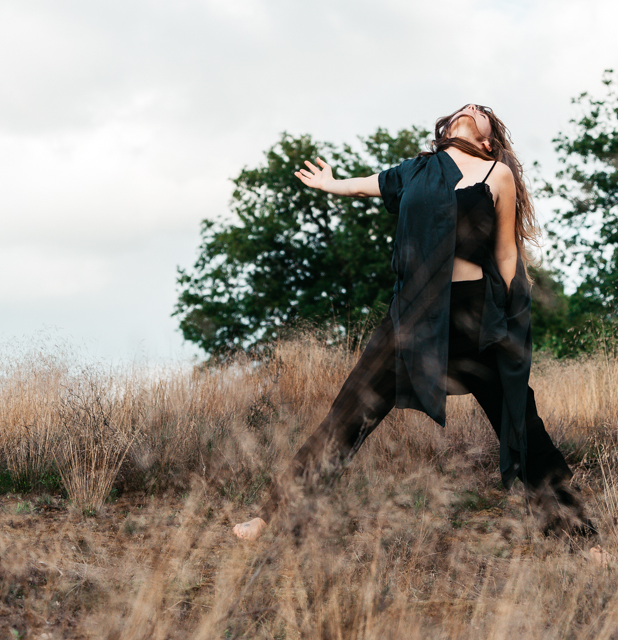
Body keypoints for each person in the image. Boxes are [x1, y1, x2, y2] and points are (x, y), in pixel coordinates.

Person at [232, 104, 596, 544]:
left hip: (473, 316)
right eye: (466, 106)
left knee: (522, 423)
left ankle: (579, 537)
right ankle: (271, 518)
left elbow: (505, 252)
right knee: (347, 414)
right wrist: (331, 183)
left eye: (481, 111)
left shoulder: (496, 173)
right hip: (413, 314)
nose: (472, 108)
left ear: (488, 141)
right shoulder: (418, 170)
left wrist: (509, 319)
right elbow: (369, 186)